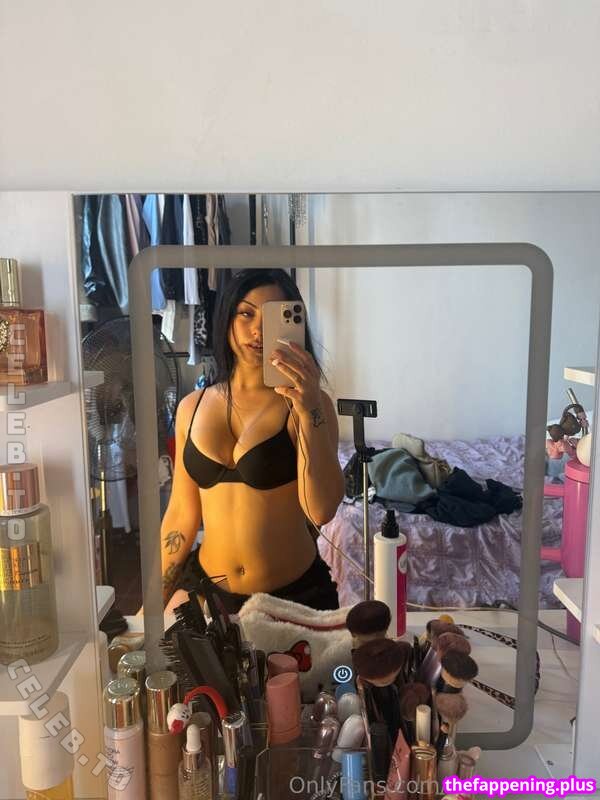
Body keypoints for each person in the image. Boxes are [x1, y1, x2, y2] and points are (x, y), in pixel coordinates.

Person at [161, 269, 345, 615]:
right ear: (227, 318)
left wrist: (309, 410)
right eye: (246, 314)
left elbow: (320, 510)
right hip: (208, 593)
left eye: (272, 318)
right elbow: (181, 514)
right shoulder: (192, 407)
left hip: (294, 599)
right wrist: (154, 599)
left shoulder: (310, 406)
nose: (258, 330)